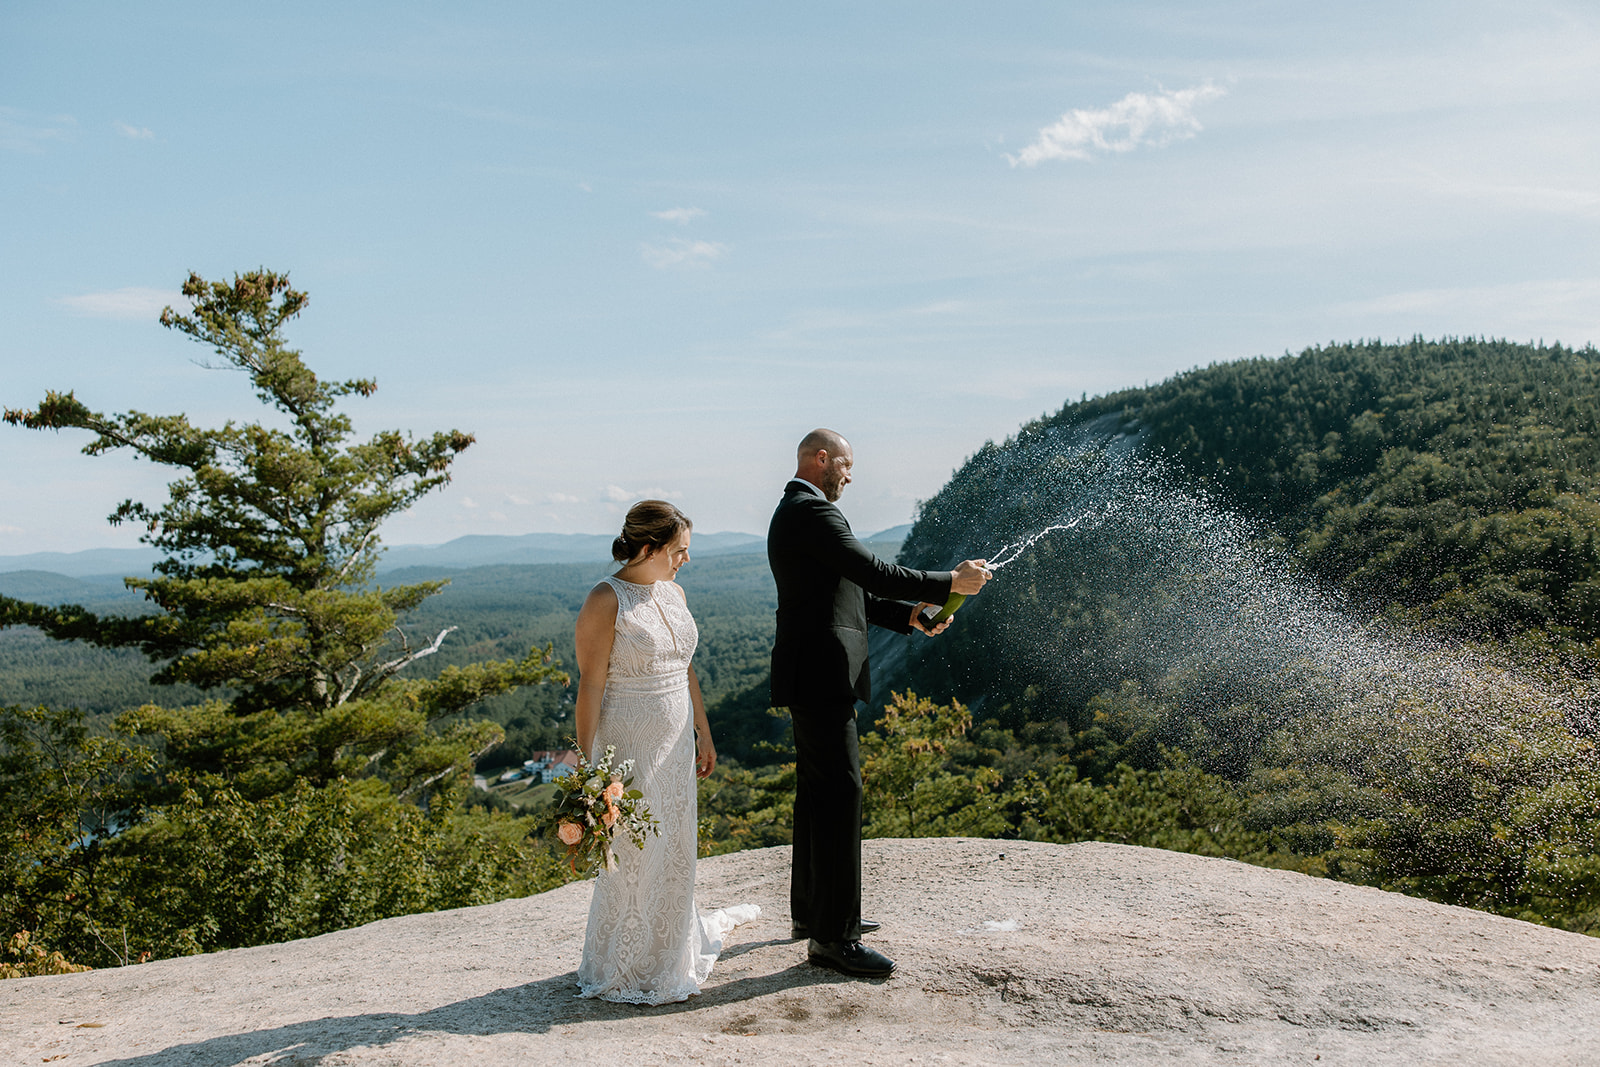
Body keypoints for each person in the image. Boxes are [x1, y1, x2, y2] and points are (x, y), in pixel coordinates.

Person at [768, 429, 991, 978]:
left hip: (811, 672)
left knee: (817, 794)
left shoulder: (799, 511)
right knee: (841, 793)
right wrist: (949, 582)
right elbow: (871, 570)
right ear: (821, 459)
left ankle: (814, 915)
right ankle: (834, 939)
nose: (849, 475)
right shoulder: (812, 512)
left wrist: (907, 615)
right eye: (844, 464)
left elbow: (853, 592)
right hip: (821, 674)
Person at [574, 500, 758, 1004]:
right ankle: (626, 964)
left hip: (676, 741)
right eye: (679, 550)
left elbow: (685, 667)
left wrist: (704, 729)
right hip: (630, 743)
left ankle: (669, 951)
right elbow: (590, 686)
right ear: (649, 548)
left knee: (675, 845)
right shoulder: (604, 600)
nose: (686, 559)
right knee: (636, 851)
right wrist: (588, 766)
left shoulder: (674, 592)